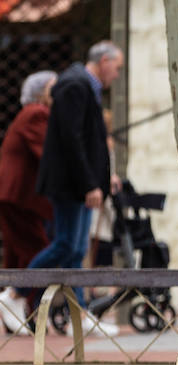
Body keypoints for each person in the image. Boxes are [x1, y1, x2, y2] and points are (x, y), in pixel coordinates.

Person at [28, 41, 123, 336]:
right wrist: (89, 184)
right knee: (67, 245)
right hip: (71, 186)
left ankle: (77, 316)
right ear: (104, 60)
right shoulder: (76, 85)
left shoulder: (82, 85)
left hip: (77, 185)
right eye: (117, 68)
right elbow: (73, 140)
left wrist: (102, 177)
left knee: (75, 250)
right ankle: (16, 292)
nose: (117, 75)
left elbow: (88, 140)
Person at [0, 70, 56, 333]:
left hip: (17, 196)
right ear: (42, 93)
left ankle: (19, 310)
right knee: (38, 249)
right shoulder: (36, 113)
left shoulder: (30, 113)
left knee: (17, 253)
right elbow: (49, 152)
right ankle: (14, 298)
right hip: (18, 195)